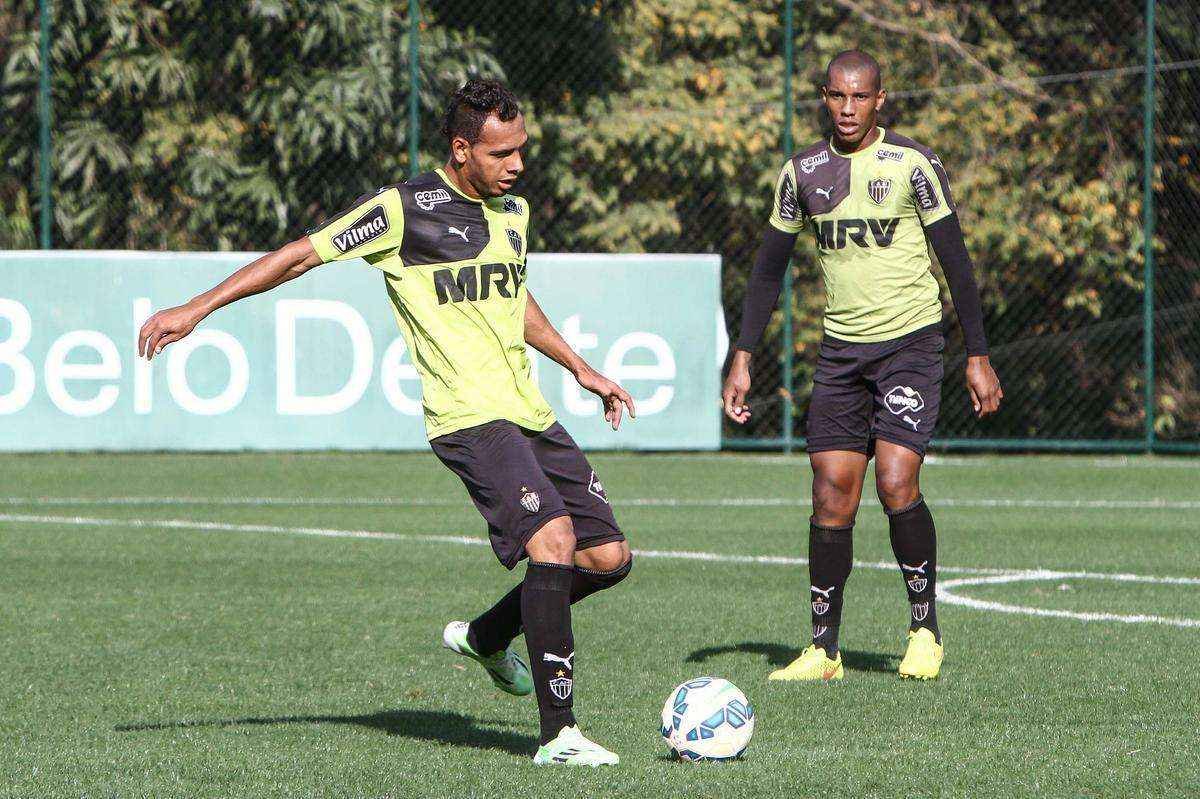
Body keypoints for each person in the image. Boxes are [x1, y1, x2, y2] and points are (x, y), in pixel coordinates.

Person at [138, 78, 634, 765]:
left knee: (608, 558)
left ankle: (488, 637)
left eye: (522, 149)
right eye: (501, 153)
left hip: (530, 410)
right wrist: (196, 308)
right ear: (462, 150)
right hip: (468, 416)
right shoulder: (403, 209)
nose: (518, 164)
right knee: (552, 540)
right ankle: (561, 736)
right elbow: (300, 254)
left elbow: (514, 297)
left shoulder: (512, 210)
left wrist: (580, 365)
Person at [722, 50, 1002, 681]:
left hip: (910, 344)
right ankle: (824, 650)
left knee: (897, 481)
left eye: (859, 97)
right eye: (836, 97)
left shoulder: (913, 164)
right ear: (824, 96)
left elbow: (956, 261)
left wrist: (977, 354)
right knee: (830, 493)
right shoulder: (802, 172)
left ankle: (924, 631)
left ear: (881, 99)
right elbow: (768, 268)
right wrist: (742, 358)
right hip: (842, 353)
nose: (847, 109)